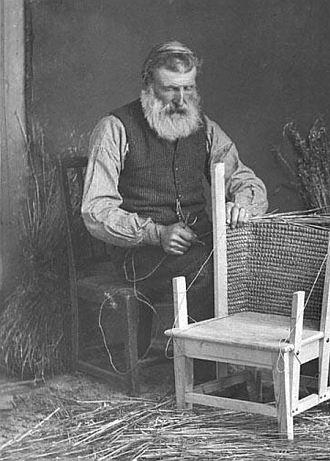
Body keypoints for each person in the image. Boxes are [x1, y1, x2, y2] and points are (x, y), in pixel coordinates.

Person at [82, 41, 268, 359]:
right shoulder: (114, 129)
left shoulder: (205, 129)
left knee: (262, 266)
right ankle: (207, 375)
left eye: (188, 88)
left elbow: (246, 180)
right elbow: (95, 211)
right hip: (140, 257)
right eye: (170, 89)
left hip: (199, 243)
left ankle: (286, 373)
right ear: (148, 86)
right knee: (210, 273)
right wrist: (156, 233)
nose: (181, 100)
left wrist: (244, 206)